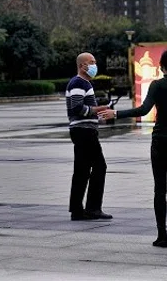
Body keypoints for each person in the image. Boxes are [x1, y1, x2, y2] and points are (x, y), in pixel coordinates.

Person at [101, 48, 167, 254]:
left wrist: (116, 113)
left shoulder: (157, 86)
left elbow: (143, 110)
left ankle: (162, 236)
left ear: (161, 66)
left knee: (160, 190)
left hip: (161, 142)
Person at [66, 52, 112, 221]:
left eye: (94, 61)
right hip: (84, 131)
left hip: (82, 130)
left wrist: (98, 117)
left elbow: (83, 110)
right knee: (100, 166)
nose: (94, 65)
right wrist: (99, 109)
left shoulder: (84, 83)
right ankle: (93, 208)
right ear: (82, 65)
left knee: (82, 170)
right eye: (91, 62)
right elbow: (77, 109)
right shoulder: (79, 82)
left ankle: (77, 210)